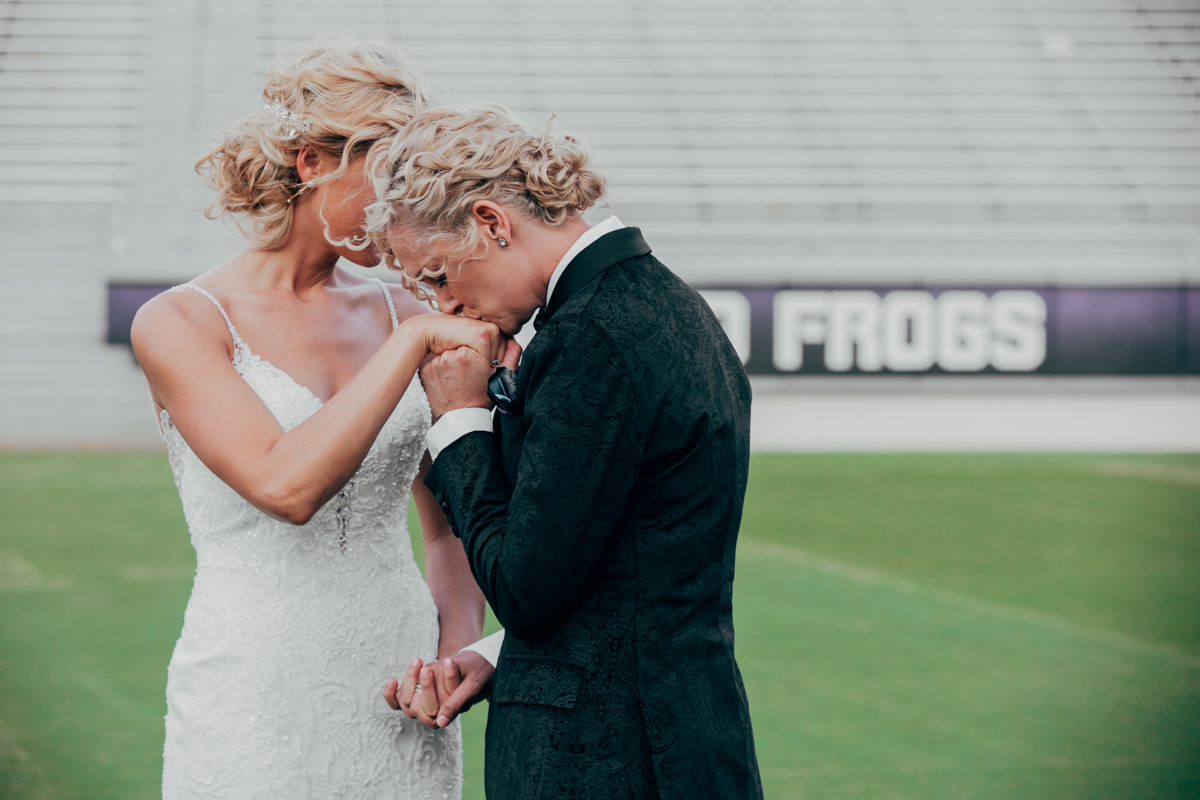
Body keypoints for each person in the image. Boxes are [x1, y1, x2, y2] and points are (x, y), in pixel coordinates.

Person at [131, 37, 501, 799]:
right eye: (389, 176)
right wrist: (408, 345)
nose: (406, 206)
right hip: (256, 682)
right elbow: (284, 486)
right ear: (312, 164)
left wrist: (454, 652)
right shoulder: (180, 322)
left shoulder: (409, 308)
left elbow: (448, 528)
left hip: (400, 675)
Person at [372, 105, 764, 799]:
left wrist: (460, 420)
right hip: (680, 732)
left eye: (436, 276)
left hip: (610, 754)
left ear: (492, 223)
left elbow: (525, 587)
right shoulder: (664, 302)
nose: (444, 307)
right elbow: (626, 571)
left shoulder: (591, 338)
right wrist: (503, 655)